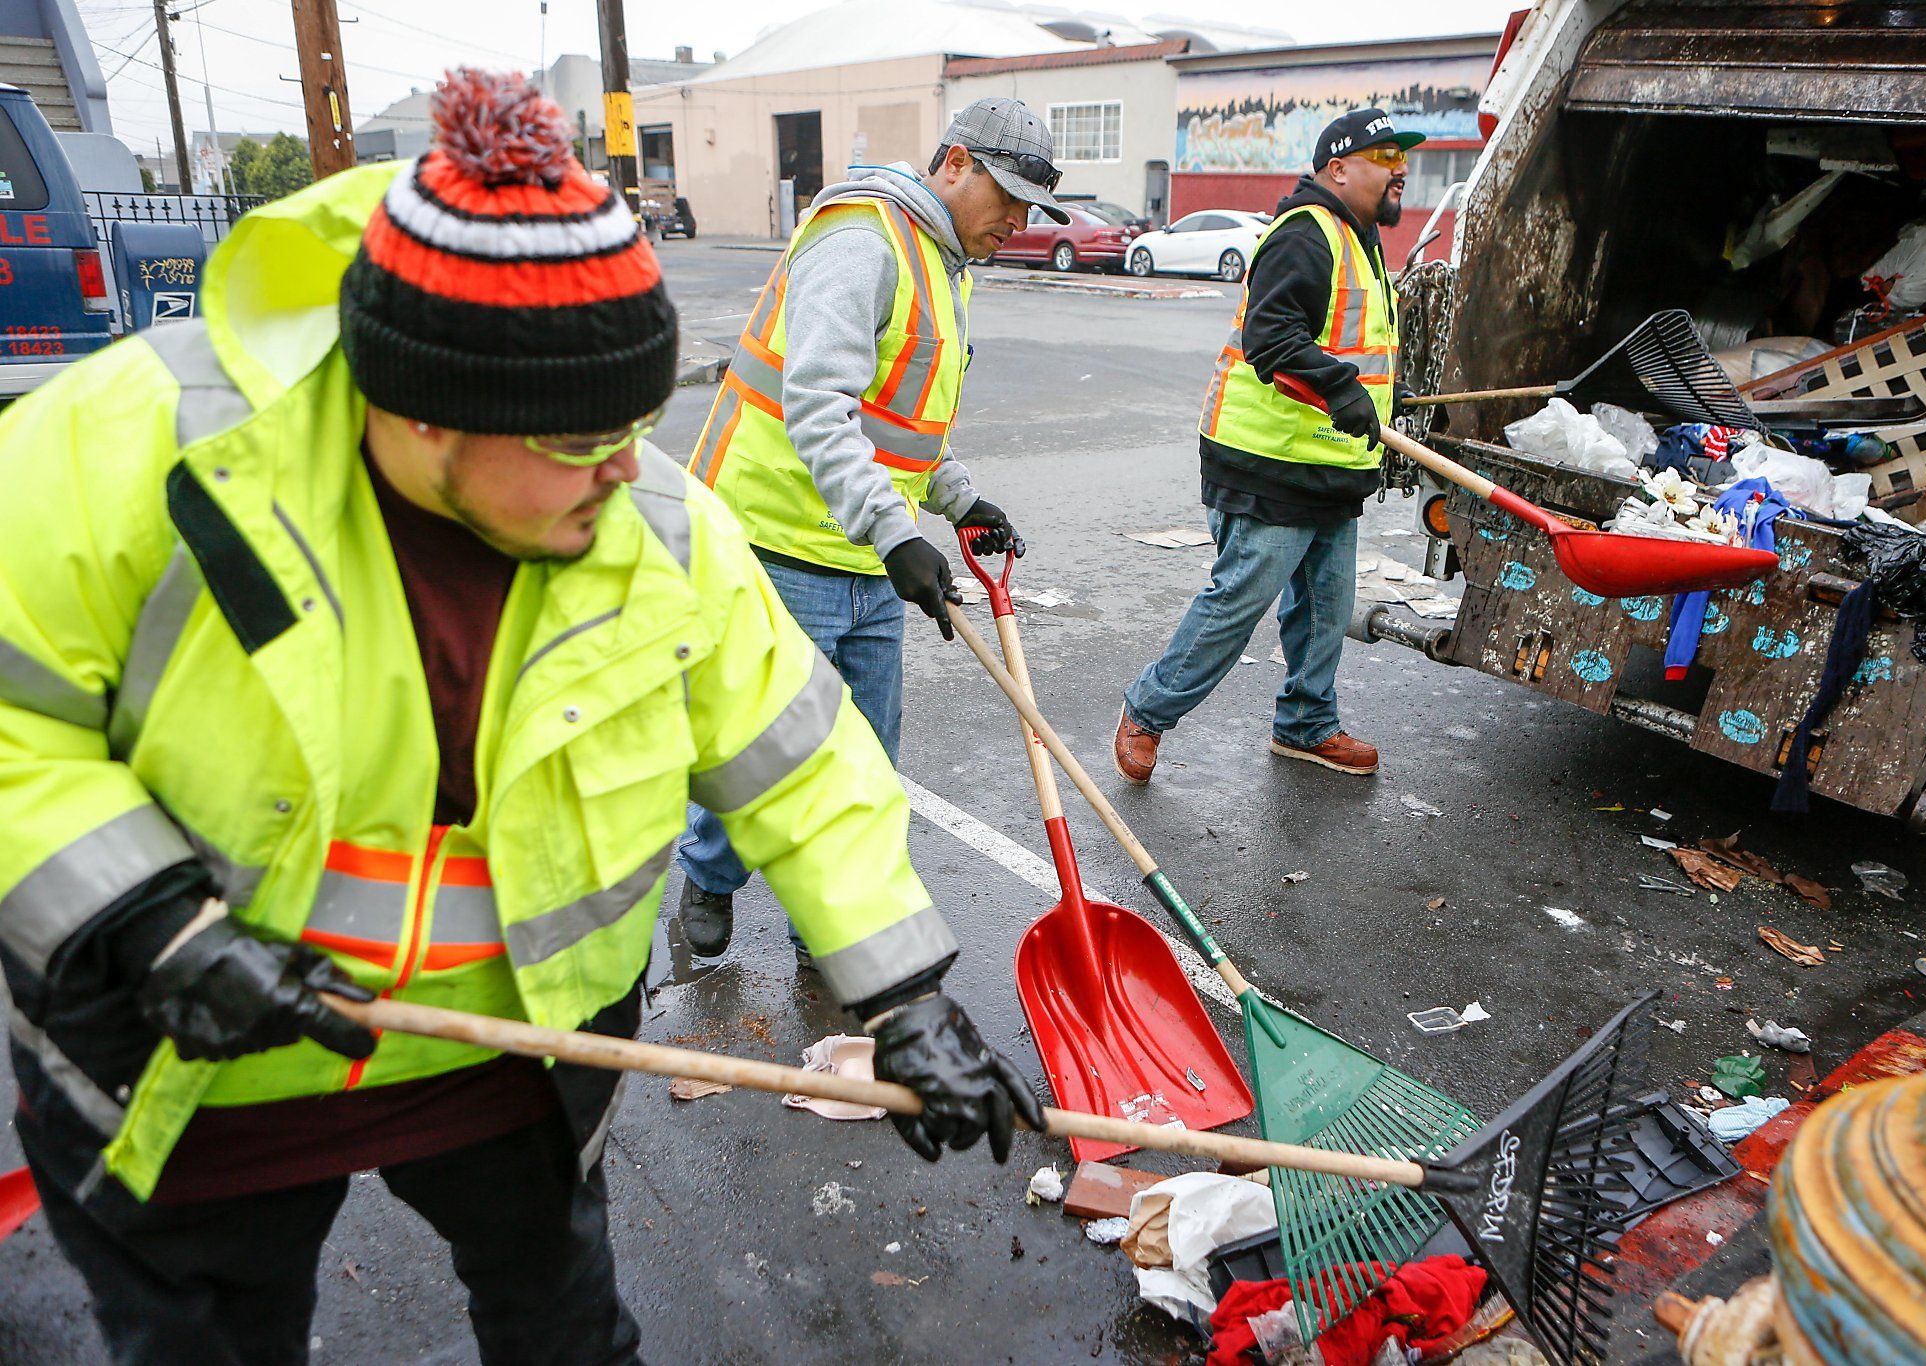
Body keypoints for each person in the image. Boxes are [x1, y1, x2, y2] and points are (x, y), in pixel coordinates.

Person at [0, 70, 1040, 1366]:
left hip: (514, 1064)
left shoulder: (654, 524)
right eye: (584, 433)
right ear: (424, 402)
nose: (627, 467)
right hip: (202, 1065)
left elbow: (802, 759)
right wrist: (141, 918)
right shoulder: (128, 454)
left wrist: (907, 992)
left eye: (638, 422)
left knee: (566, 1334)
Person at [677, 97, 1061, 961]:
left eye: (1030, 207)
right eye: (1006, 195)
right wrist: (898, 534)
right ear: (954, 162)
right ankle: (708, 871)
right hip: (779, 541)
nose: (1018, 221)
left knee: (865, 760)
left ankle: (832, 915)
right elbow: (818, 408)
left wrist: (960, 500)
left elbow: (902, 416)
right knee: (765, 748)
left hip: (863, 550)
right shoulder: (863, 240)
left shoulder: (944, 260)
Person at [1113, 108, 1423, 785]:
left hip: (1331, 465)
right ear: (1338, 168)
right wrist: (1344, 394)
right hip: (1268, 461)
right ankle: (1148, 710)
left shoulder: (1359, 238)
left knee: (1326, 607)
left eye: (1404, 156)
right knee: (1237, 604)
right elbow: (1273, 339)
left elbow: (1355, 349)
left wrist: (1380, 403)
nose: (1401, 167)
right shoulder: (1305, 234)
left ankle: (1306, 724)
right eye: (1385, 156)